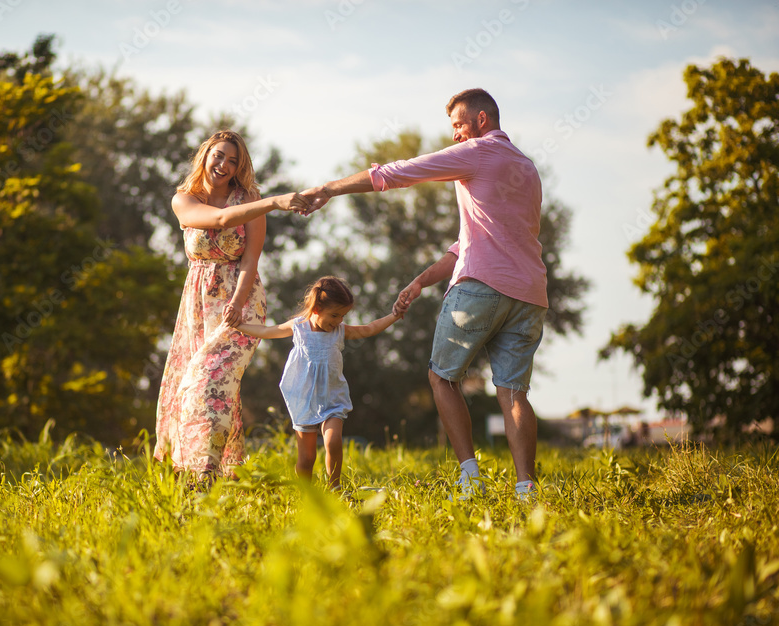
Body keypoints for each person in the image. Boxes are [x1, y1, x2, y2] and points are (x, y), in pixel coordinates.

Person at [301, 89, 548, 499]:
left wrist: (330, 188)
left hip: (481, 288)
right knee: (513, 391)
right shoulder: (528, 169)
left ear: (482, 120)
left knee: (441, 378)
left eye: (458, 124)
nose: (454, 135)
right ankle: (527, 488)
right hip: (529, 294)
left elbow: (396, 172)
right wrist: (421, 281)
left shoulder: (479, 152)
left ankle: (470, 477)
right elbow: (471, 243)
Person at [155, 130, 307, 481]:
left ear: (240, 167)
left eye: (233, 160)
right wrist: (275, 201)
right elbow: (222, 221)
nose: (224, 165)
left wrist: (237, 304)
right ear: (205, 155)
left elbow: (251, 259)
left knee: (210, 381)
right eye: (218, 156)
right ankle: (220, 472)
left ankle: (203, 473)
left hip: (242, 301)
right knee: (203, 385)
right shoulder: (184, 199)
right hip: (198, 303)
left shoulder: (248, 199)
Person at [233, 276, 402, 491]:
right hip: (304, 401)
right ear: (316, 308)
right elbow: (267, 332)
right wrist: (239, 326)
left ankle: (334, 488)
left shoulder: (340, 331)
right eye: (334, 315)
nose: (339, 320)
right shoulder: (299, 328)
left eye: (343, 315)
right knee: (306, 457)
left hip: (332, 399)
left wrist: (394, 316)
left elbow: (369, 328)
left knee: (333, 443)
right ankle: (306, 496)